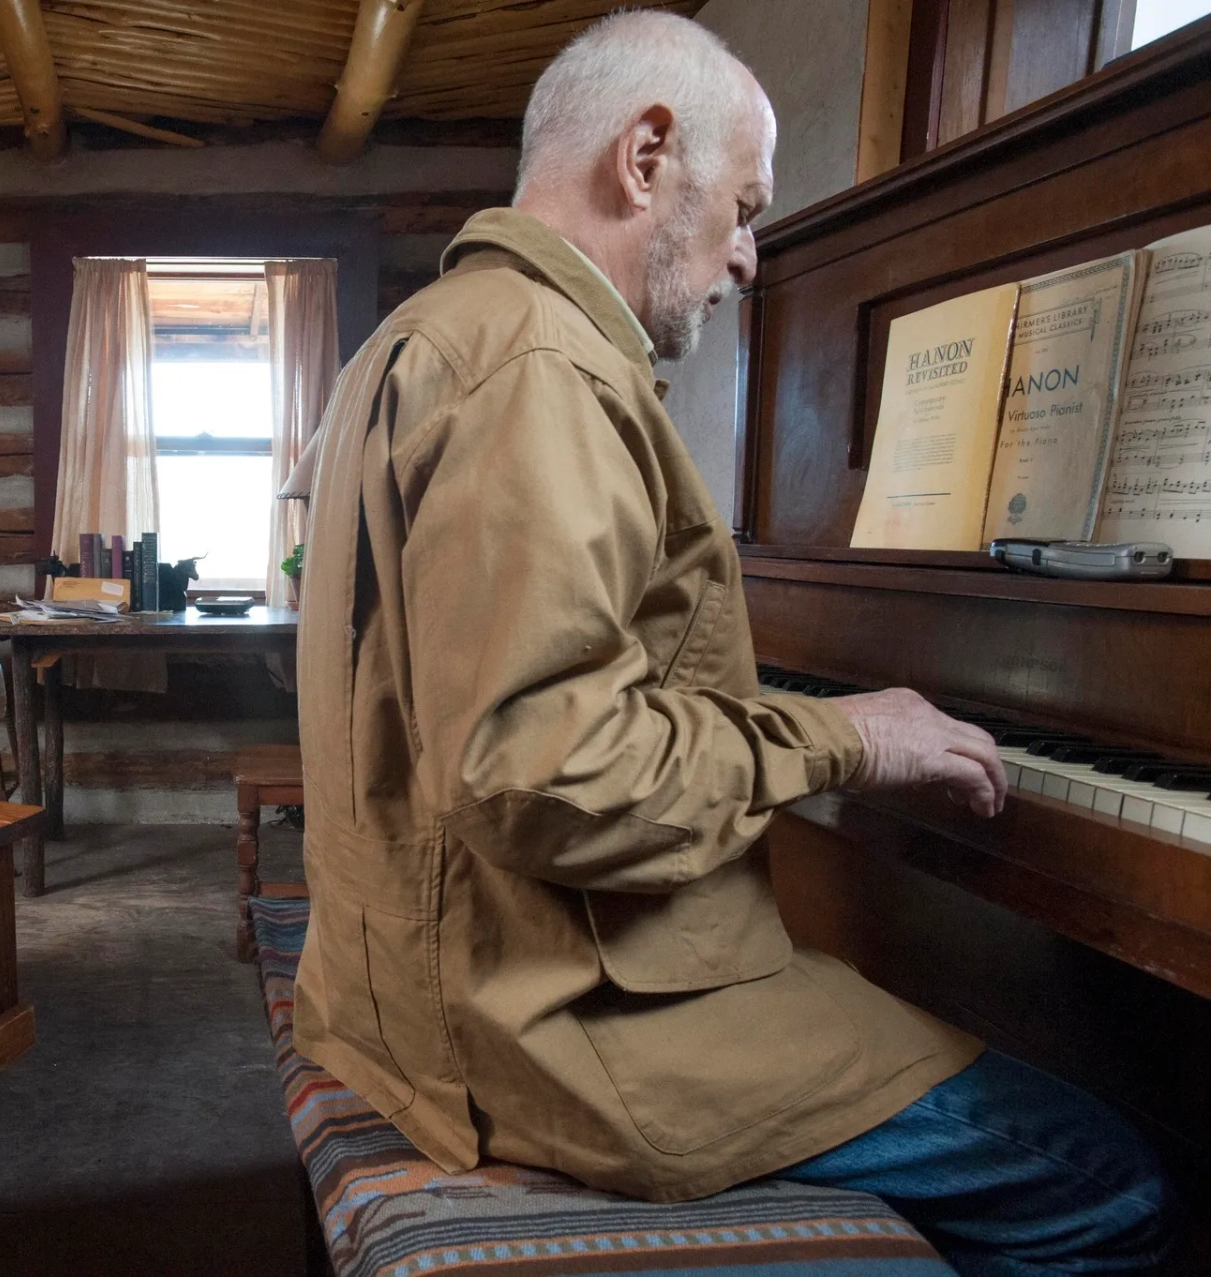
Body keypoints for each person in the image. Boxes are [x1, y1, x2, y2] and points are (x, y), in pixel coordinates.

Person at [291, 12, 1173, 1273]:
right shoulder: (543, 367)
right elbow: (543, 772)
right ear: (646, 155)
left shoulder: (416, 336)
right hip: (536, 1029)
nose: (753, 257)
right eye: (748, 205)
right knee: (1114, 1177)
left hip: (401, 981)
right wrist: (847, 734)